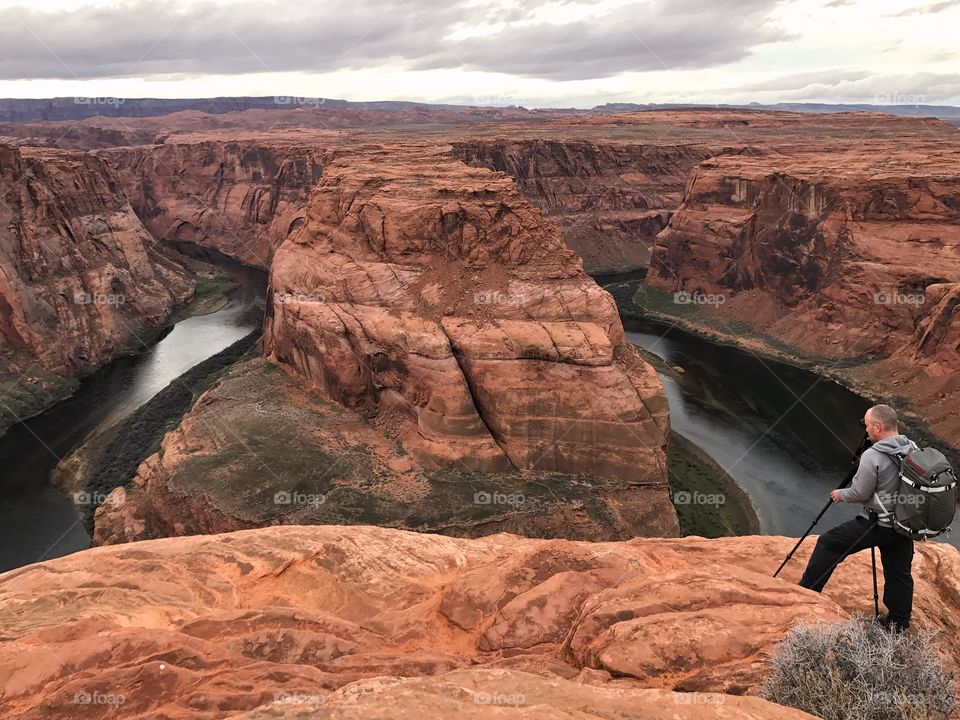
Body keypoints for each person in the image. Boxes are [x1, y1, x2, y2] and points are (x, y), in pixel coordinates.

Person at [798, 404, 916, 631]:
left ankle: (807, 593)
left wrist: (839, 494)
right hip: (902, 525)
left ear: (878, 426)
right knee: (899, 573)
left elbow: (860, 493)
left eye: (868, 425)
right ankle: (898, 623)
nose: (867, 430)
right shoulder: (912, 447)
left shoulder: (873, 455)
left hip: (876, 524)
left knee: (828, 544)